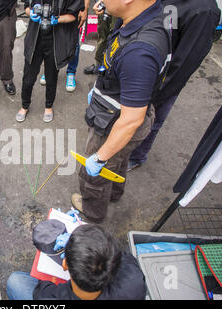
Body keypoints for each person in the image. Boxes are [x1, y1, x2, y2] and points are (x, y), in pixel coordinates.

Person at [70, 0, 172, 223]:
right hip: (121, 107)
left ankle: (92, 211)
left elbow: (130, 120)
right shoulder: (146, 15)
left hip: (114, 124)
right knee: (119, 161)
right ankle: (115, 192)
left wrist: (99, 157)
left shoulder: (139, 52)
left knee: (97, 170)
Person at [127, 0, 221, 171]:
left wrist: (155, 95)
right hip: (144, 63)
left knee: (150, 119)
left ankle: (136, 156)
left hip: (163, 81)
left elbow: (184, 63)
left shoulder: (204, 11)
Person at [6, 224, 146, 300]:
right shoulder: (135, 280)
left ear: (65, 264)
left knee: (16, 282)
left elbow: (41, 292)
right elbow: (124, 256)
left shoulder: (57, 296)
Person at [15, 0, 85, 123]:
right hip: (35, 37)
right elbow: (26, 7)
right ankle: (24, 106)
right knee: (28, 77)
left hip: (55, 38)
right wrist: (31, 13)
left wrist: (57, 19)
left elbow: (73, 16)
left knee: (51, 76)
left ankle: (48, 106)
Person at [39, 0, 90, 92]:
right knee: (52, 39)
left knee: (73, 42)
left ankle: (71, 72)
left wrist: (85, 9)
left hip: (75, 7)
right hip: (54, 6)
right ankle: (50, 70)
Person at [83, 0, 116, 75]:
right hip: (104, 6)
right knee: (102, 37)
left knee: (115, 37)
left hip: (121, 7)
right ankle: (99, 66)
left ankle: (112, 70)